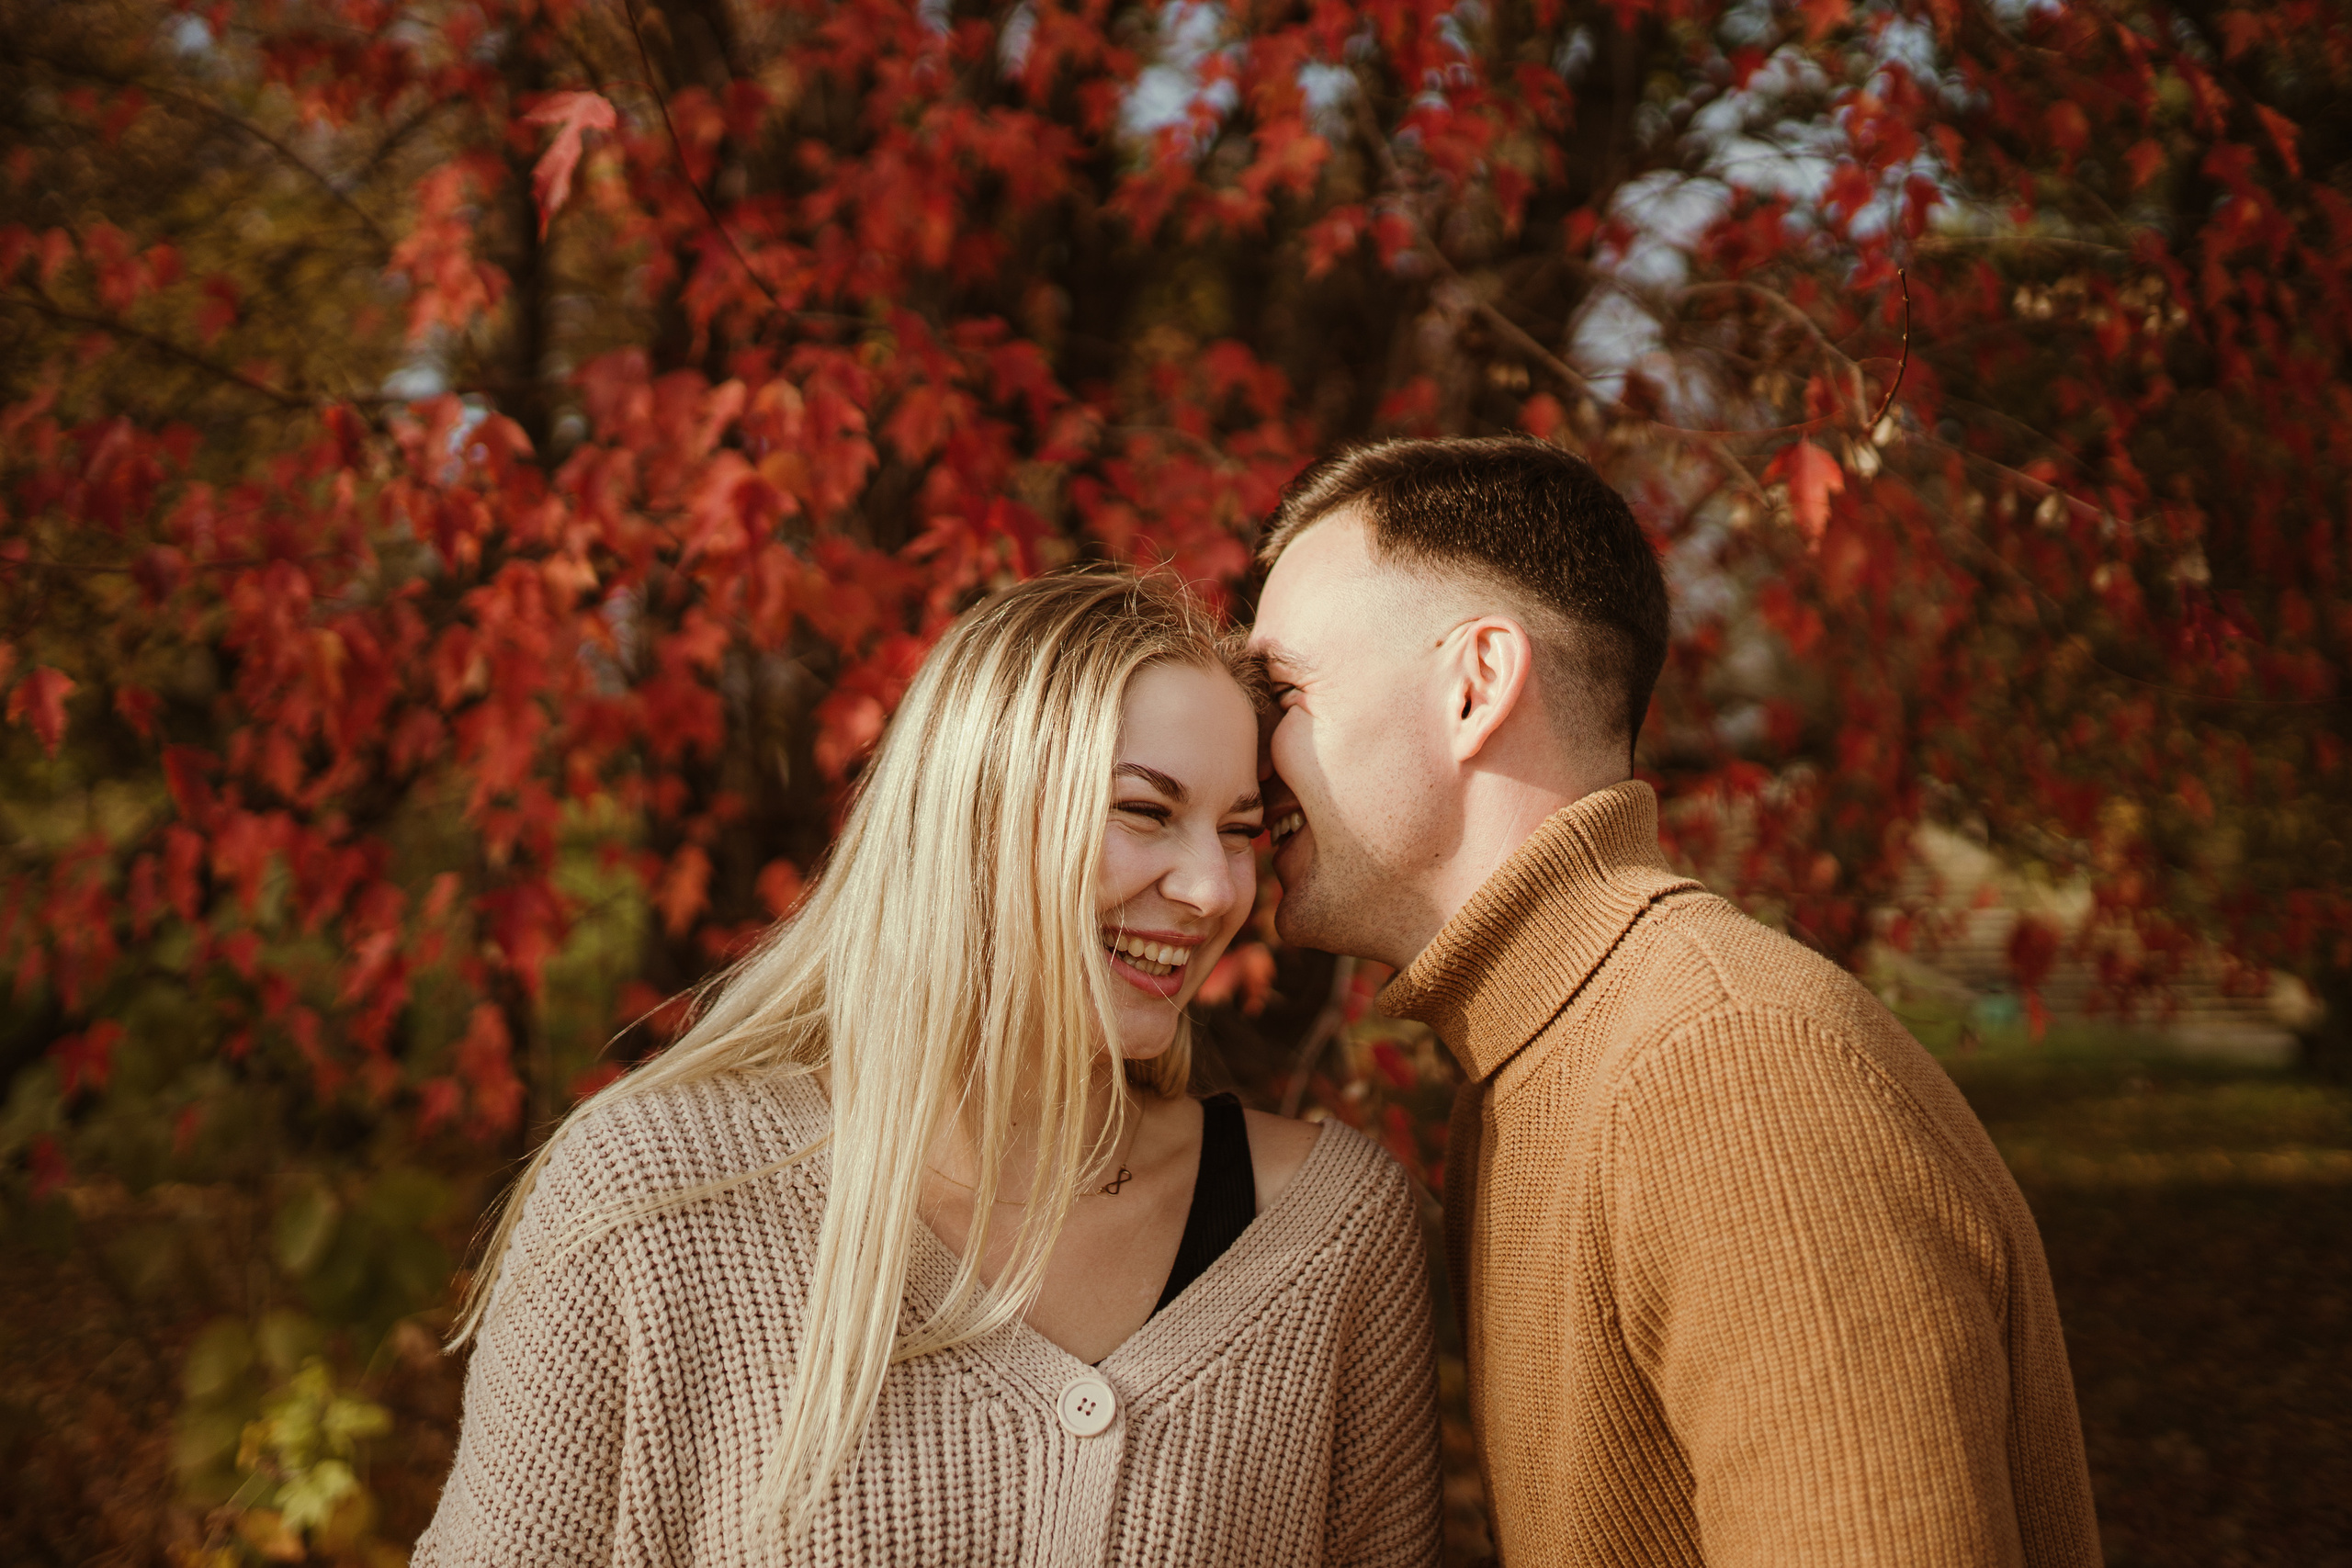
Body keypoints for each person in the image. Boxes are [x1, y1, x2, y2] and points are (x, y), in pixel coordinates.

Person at [414, 572, 1442, 1567]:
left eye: (1239, 832)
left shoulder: (1329, 1236)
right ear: (974, 821)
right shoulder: (652, 1196)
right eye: (1143, 810)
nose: (1213, 889)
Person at [1249, 437, 2103, 1568]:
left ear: (1473, 686)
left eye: (1283, 691)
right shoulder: (1540, 1070)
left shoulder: (1726, 1069)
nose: (1254, 754)